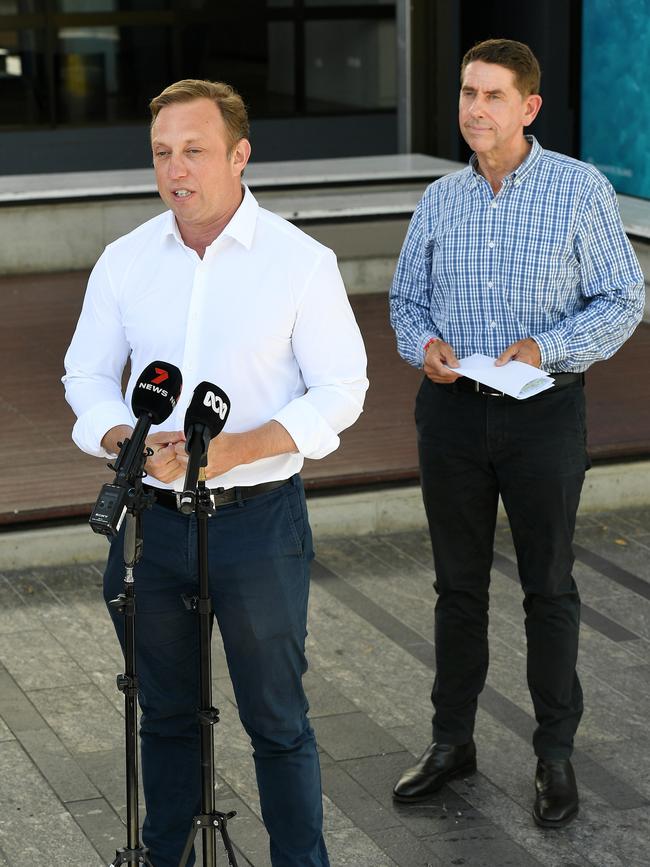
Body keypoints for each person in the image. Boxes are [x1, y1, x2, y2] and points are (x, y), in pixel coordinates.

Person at [63, 79, 368, 867]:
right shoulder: (125, 259)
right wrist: (122, 433)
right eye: (162, 152)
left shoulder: (301, 262)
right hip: (151, 523)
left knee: (277, 717)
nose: (176, 169)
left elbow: (342, 388)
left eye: (194, 150)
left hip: (257, 520)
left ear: (239, 155)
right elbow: (84, 375)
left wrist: (237, 446)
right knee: (162, 713)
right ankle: (164, 855)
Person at [389, 39, 644, 828]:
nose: (475, 109)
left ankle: (554, 756)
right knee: (456, 588)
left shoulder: (580, 191)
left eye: (493, 95)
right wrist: (421, 347)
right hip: (453, 415)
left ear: (528, 107)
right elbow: (405, 300)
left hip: (543, 412)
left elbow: (623, 300)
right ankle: (450, 740)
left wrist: (547, 347)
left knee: (550, 588)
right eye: (468, 92)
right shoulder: (439, 199)